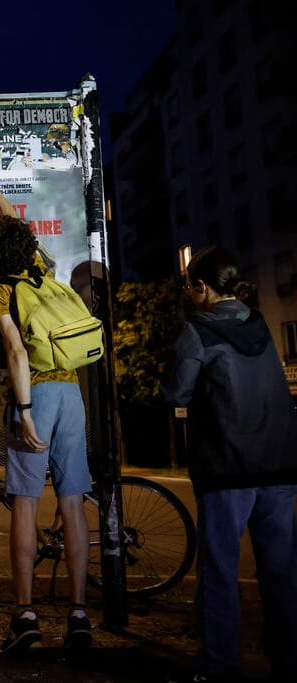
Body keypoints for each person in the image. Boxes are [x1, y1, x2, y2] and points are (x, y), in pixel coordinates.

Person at [162, 246, 297, 681]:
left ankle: (219, 664)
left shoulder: (198, 333)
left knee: (220, 570)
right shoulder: (261, 326)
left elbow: (175, 393)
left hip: (226, 468)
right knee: (280, 571)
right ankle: (288, 658)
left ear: (202, 287)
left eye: (189, 287)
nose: (188, 295)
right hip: (278, 465)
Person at [0, 174, 93, 653]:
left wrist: (23, 412)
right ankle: (80, 614)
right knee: (72, 504)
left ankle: (25, 614)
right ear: (26, 247)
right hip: (72, 394)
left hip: (37, 395)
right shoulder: (43, 271)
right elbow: (14, 222)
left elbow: (16, 354)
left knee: (24, 502)